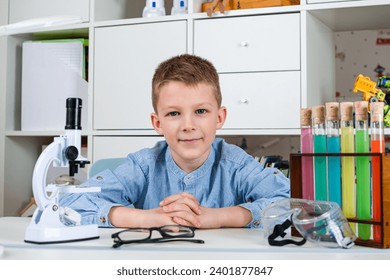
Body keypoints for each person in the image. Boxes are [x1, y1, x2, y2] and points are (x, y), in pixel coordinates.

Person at [60, 54, 290, 229]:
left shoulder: (237, 164)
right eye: (173, 113)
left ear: (219, 118)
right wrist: (145, 218)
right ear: (157, 123)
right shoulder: (143, 166)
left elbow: (290, 202)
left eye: (200, 111)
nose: (188, 125)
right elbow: (72, 202)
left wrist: (219, 217)